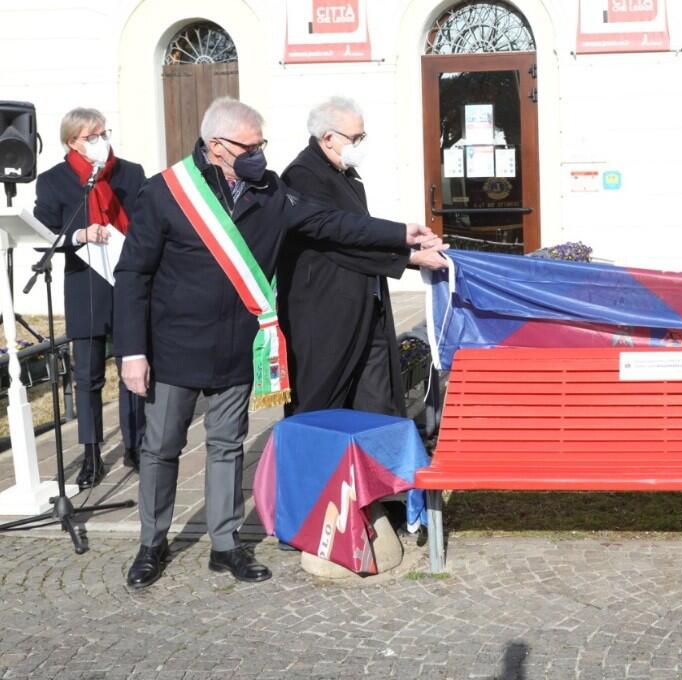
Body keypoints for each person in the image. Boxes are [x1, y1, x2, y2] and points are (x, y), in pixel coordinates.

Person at [114, 97, 449, 589]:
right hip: (174, 346)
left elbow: (330, 222)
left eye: (261, 145)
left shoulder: (269, 190)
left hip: (237, 346)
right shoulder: (166, 192)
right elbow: (133, 274)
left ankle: (226, 545)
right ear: (216, 146)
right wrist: (132, 351)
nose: (259, 155)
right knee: (162, 447)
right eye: (249, 147)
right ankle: (151, 543)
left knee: (226, 447)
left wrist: (402, 234)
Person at [33, 108, 146, 488]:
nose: (101, 141)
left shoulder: (130, 173)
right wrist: (80, 235)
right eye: (91, 136)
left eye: (104, 133)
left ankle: (136, 444)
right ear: (72, 142)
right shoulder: (54, 181)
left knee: (132, 367)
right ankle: (92, 454)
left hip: (126, 282)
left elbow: (147, 223)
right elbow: (43, 235)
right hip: (86, 287)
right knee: (88, 376)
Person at [278, 97, 408, 417]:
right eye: (355, 138)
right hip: (327, 314)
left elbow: (359, 233)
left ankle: (373, 451)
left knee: (376, 404)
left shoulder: (344, 172)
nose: (359, 145)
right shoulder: (302, 175)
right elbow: (339, 233)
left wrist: (406, 251)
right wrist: (404, 245)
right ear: (328, 138)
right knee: (320, 408)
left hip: (366, 306)